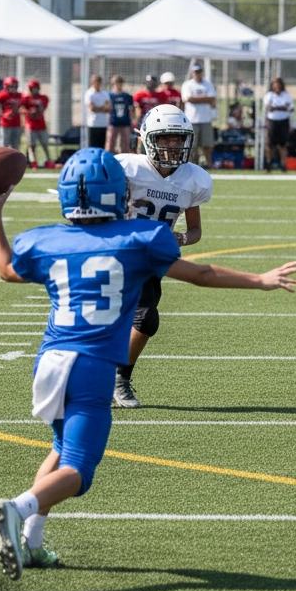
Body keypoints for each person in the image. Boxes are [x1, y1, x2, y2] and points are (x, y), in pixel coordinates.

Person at [0, 147, 296, 578]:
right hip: (91, 367)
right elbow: (201, 274)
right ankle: (17, 508)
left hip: (48, 363)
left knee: (59, 448)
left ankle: (32, 541)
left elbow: (6, 270)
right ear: (118, 193)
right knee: (79, 469)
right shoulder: (141, 239)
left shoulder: (44, 239)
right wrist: (260, 280)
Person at [112, 105, 214, 408]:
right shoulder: (126, 168)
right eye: (165, 138)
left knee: (146, 322)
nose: (172, 145)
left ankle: (120, 378)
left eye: (177, 139)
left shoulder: (193, 179)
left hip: (150, 259)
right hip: (116, 253)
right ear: (146, 138)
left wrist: (179, 237)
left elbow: (195, 231)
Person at [180, 63, 217, 167]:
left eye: (199, 72)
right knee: (192, 145)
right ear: (192, 73)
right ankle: (193, 165)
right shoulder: (187, 84)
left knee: (207, 145)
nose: (197, 74)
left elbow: (211, 98)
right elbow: (187, 99)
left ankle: (209, 164)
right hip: (192, 119)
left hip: (206, 119)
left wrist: (195, 98)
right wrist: (204, 97)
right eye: (195, 72)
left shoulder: (207, 84)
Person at [263, 76, 294, 172]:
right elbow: (268, 107)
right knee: (270, 144)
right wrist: (282, 107)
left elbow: (290, 107)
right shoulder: (269, 95)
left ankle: (283, 164)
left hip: (283, 121)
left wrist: (277, 107)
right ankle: (269, 162)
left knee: (282, 144)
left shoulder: (286, 95)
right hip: (272, 121)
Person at [21, 79, 51, 168]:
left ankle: (49, 160)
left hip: (41, 124)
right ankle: (33, 161)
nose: (34, 90)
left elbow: (42, 108)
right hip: (30, 125)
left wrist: (36, 111)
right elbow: (21, 108)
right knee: (32, 145)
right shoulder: (26, 98)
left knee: (44, 144)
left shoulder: (43, 98)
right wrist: (28, 111)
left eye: (35, 88)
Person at [0, 76, 23, 151]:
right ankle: (3, 162)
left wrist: (19, 110)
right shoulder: (2, 94)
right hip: (5, 123)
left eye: (15, 86)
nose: (13, 88)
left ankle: (14, 162)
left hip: (16, 123)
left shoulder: (19, 95)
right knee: (4, 147)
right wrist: (1, 114)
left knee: (15, 146)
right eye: (11, 86)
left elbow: (23, 107)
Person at [106, 75, 134, 155]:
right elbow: (108, 109)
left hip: (125, 122)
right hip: (113, 122)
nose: (118, 85)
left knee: (125, 144)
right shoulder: (109, 95)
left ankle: (125, 158)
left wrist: (132, 121)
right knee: (110, 143)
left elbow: (131, 110)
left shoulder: (127, 96)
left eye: (120, 83)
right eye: (116, 83)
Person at [83, 75, 110, 150]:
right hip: (93, 124)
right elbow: (92, 108)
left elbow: (108, 108)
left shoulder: (104, 93)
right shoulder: (89, 93)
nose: (97, 84)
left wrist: (98, 108)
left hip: (103, 124)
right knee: (92, 146)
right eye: (95, 82)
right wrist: (102, 108)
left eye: (99, 82)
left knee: (101, 146)